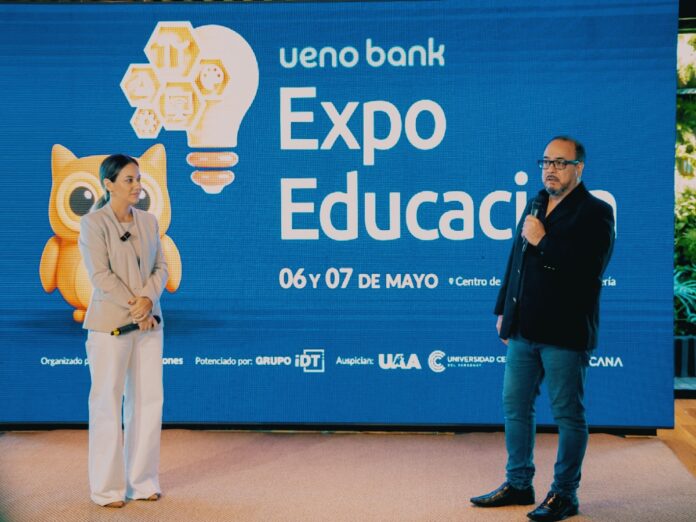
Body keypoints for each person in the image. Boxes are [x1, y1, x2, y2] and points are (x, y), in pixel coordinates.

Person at [470, 136, 615, 521]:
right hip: (524, 328)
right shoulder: (534, 204)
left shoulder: (596, 212)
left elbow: (589, 269)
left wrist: (544, 241)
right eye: (546, 162)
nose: (551, 169)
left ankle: (565, 494)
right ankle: (519, 483)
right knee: (515, 406)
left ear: (579, 168)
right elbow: (516, 260)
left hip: (565, 332)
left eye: (560, 163)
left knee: (568, 414)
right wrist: (504, 310)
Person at [78, 154, 168, 508]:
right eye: (129, 180)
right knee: (107, 404)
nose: (137, 186)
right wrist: (136, 306)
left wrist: (148, 300)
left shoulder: (149, 221)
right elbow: (100, 276)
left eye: (138, 179)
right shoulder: (92, 223)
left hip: (149, 324)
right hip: (110, 327)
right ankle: (106, 489)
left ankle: (142, 483)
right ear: (108, 184)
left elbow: (161, 266)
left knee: (148, 402)